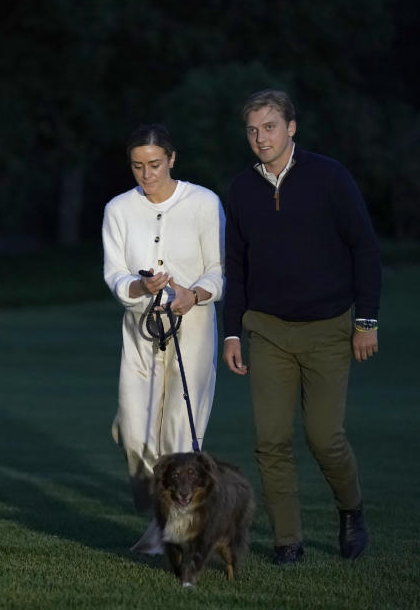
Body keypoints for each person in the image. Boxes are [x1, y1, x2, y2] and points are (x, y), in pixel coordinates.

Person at [222, 89, 380, 565]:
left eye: (270, 127)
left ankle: (351, 510)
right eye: (252, 130)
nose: (260, 137)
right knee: (270, 439)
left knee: (323, 437)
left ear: (291, 128)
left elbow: (365, 250)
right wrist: (232, 332)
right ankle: (288, 540)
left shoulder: (330, 176)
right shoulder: (242, 188)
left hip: (329, 328)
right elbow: (237, 263)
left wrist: (366, 321)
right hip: (267, 330)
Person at [102, 124, 225, 554]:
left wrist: (193, 294)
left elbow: (217, 269)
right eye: (137, 166)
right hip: (139, 333)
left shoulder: (204, 202)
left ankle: (169, 527)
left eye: (154, 164)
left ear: (172, 159)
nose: (146, 174)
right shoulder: (118, 209)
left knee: (179, 433)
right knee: (134, 434)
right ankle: (156, 508)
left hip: (192, 330)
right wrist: (141, 289)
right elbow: (115, 272)